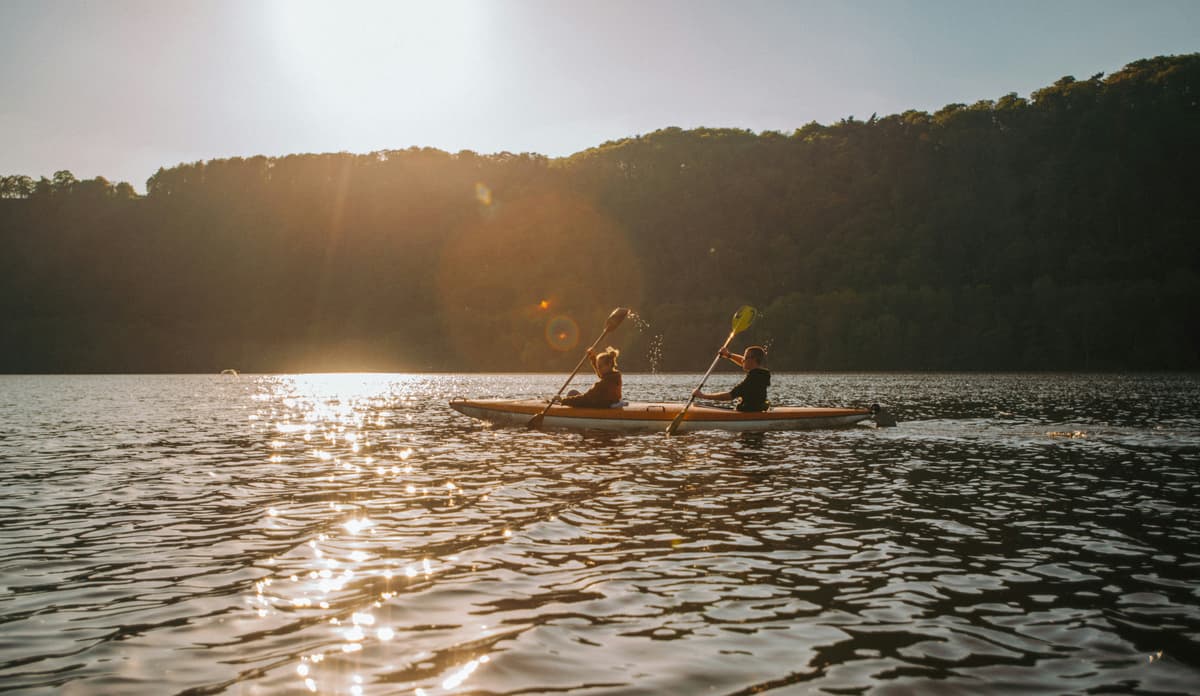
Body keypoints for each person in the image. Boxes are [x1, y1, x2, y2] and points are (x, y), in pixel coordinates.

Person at [693, 345, 770, 412]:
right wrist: (728, 355)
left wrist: (703, 396)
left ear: (753, 360)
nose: (743, 359)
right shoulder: (763, 373)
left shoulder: (753, 379)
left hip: (748, 412)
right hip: (756, 409)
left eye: (745, 357)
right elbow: (744, 362)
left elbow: (730, 396)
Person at [557, 346, 622, 408]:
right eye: (598, 367)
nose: (598, 369)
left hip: (599, 406)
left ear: (609, 364)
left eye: (600, 367)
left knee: (571, 393)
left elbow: (585, 398)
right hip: (605, 403)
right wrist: (593, 358)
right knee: (573, 392)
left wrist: (563, 400)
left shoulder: (604, 384)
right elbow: (602, 376)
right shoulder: (615, 377)